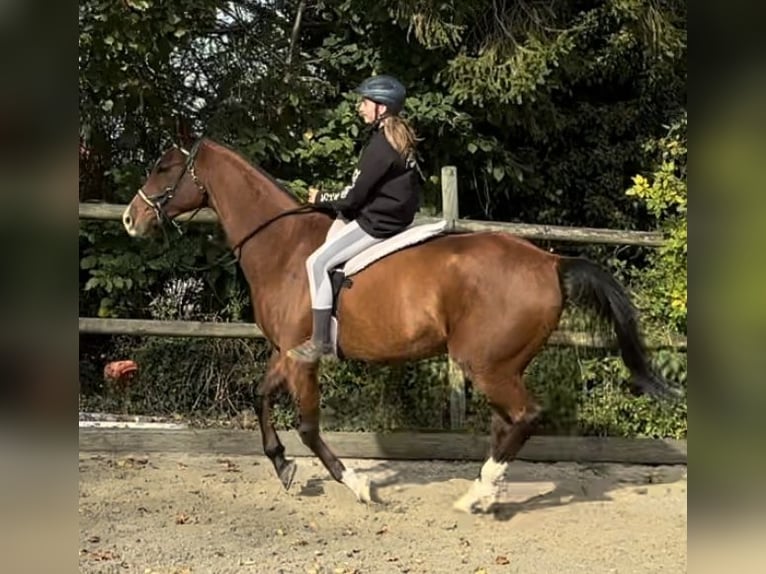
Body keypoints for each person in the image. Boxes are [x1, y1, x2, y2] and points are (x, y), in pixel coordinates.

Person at [287, 74, 422, 363]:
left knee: (316, 262)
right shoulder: (399, 138)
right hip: (396, 218)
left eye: (365, 102)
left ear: (381, 109)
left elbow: (351, 197)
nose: (360, 107)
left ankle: (320, 342)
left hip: (376, 223)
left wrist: (319, 198)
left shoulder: (379, 147)